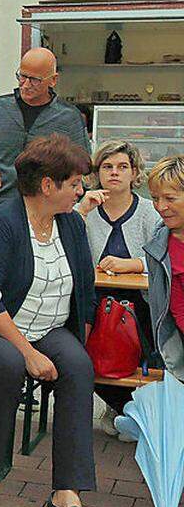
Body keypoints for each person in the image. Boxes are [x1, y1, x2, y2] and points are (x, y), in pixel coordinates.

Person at [0, 134, 98, 507]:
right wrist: (27, 351)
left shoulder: (72, 224)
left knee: (80, 366)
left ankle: (66, 492)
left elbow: (85, 287)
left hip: (46, 326)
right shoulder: (1, 224)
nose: (80, 191)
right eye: (75, 183)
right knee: (9, 363)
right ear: (48, 185)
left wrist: (78, 335)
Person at [75, 140, 162, 432]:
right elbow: (63, 250)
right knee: (82, 343)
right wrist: (81, 211)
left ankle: (138, 410)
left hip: (142, 304)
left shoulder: (150, 212)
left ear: (134, 172)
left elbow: (166, 259)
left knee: (152, 349)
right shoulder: (85, 211)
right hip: (96, 303)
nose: (114, 172)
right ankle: (120, 407)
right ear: (97, 173)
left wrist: (135, 264)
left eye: (122, 167)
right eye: (107, 166)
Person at [0, 47, 90, 211]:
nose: (26, 84)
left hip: (47, 208)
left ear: (53, 80)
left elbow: (82, 166)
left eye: (35, 80)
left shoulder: (69, 117)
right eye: (22, 76)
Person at [145, 155, 184, 385]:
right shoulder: (158, 245)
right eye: (155, 198)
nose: (161, 207)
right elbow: (176, 308)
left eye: (169, 198)